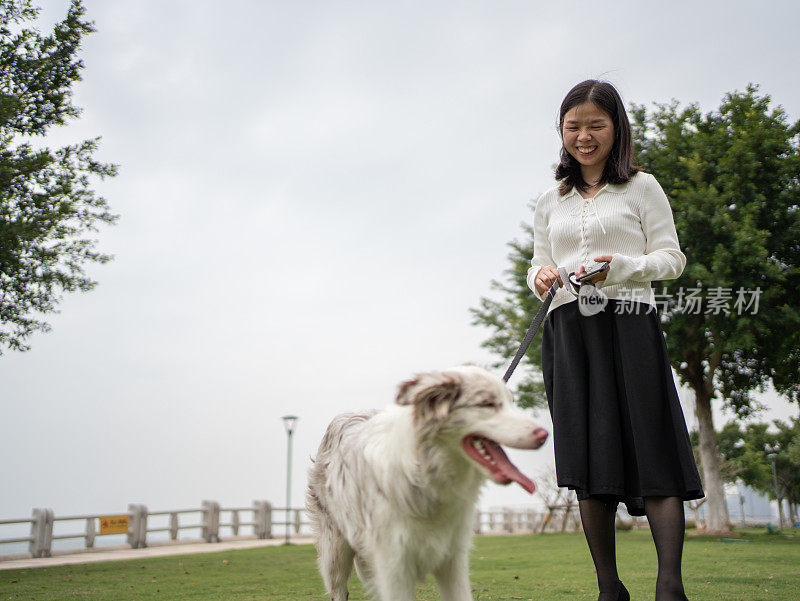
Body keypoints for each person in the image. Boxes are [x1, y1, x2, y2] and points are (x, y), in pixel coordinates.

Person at [527, 79, 705, 601]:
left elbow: (672, 260)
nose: (584, 136)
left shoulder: (642, 187)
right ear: (561, 132)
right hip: (569, 333)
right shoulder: (549, 199)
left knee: (654, 449)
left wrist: (621, 268)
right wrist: (538, 276)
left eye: (595, 125)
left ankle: (669, 586)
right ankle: (610, 588)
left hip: (630, 321)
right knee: (588, 457)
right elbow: (540, 261)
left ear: (616, 128)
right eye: (573, 126)